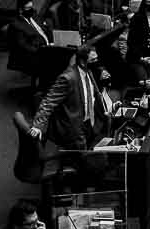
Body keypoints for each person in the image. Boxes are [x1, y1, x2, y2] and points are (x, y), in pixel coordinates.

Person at [30, 49, 109, 177]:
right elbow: (49, 101)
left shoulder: (88, 71)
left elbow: (93, 95)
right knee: (95, 165)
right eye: (93, 60)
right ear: (83, 62)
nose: (97, 63)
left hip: (88, 122)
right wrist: (38, 125)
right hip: (73, 129)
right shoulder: (68, 78)